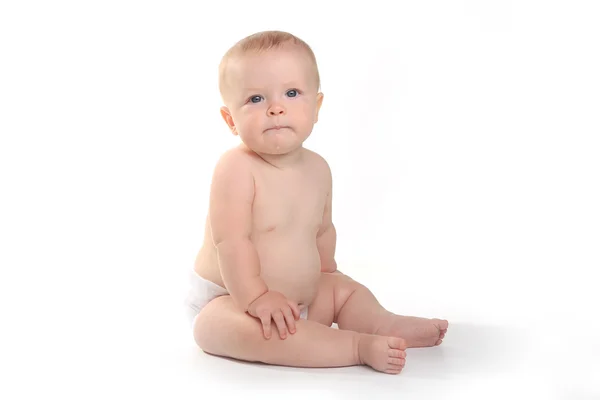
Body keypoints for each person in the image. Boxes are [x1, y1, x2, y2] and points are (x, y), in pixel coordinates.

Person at [185, 30, 448, 374]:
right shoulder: (236, 168)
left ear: (317, 106)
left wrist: (325, 273)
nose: (276, 108)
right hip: (234, 299)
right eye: (255, 99)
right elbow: (231, 242)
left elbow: (322, 229)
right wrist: (257, 298)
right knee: (226, 328)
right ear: (230, 119)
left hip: (299, 300)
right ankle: (354, 346)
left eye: (292, 93)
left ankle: (383, 323)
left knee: (343, 290)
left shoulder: (318, 168)